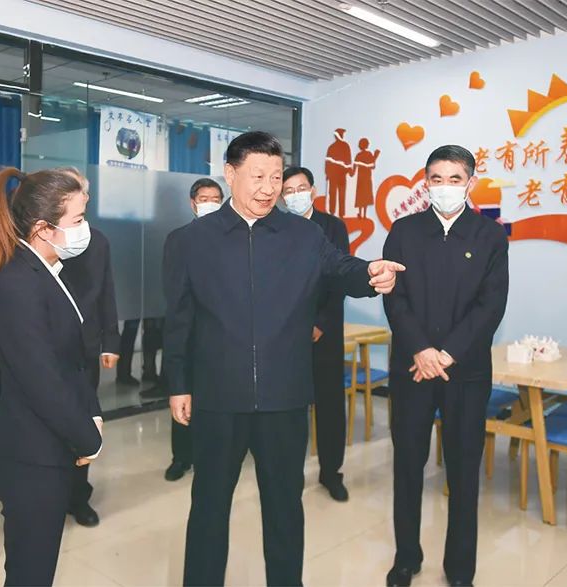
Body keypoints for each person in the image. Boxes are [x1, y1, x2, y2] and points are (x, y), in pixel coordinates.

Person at [164, 131, 403, 587]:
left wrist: (371, 273)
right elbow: (179, 319)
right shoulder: (190, 241)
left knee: (284, 510)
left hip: (284, 398)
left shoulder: (302, 234)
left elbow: (341, 267)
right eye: (258, 176)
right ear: (230, 173)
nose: (269, 188)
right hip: (218, 397)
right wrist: (178, 383)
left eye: (276, 177)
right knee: (209, 507)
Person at [382, 145, 509, 587]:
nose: (445, 187)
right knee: (407, 466)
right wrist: (420, 350)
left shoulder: (489, 235)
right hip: (412, 370)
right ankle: (406, 558)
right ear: (426, 183)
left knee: (463, 470)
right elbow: (395, 298)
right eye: (436, 179)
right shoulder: (404, 231)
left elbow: (491, 305)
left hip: (466, 373)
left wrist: (446, 354)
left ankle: (459, 569)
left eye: (455, 179)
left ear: (471, 183)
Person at [0, 167, 103, 586]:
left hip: (49, 446)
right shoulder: (19, 283)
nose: (85, 229)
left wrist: (91, 411)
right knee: (30, 574)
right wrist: (88, 438)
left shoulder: (48, 270)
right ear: (42, 228)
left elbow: (71, 359)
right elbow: (41, 379)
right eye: (77, 220)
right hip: (31, 456)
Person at [281, 166, 350, 502]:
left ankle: (331, 473)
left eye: (301, 188)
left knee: (330, 407)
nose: (296, 195)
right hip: (286, 336)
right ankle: (290, 475)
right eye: (289, 191)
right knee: (290, 409)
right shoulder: (276, 229)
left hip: (326, 333)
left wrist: (320, 323)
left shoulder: (333, 227)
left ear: (313, 190)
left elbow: (339, 278)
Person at [61, 172, 121, 527]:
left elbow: (106, 291)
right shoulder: (35, 236)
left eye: (81, 191)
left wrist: (110, 340)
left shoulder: (97, 241)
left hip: (85, 348)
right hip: (46, 347)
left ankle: (78, 495)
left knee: (85, 420)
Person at [163, 177, 223, 483]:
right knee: (183, 396)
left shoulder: (232, 238)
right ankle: (181, 457)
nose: (210, 203)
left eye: (215, 199)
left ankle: (210, 457)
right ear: (192, 203)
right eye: (204, 199)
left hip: (222, 336)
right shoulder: (178, 239)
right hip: (188, 333)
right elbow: (173, 292)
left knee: (215, 402)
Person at [324, 128, 353, 218]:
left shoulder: (332, 147)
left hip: (336, 175)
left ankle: (333, 212)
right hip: (340, 175)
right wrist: (349, 171)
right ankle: (340, 214)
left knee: (334, 194)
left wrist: (327, 174)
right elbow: (348, 160)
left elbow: (328, 162)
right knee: (340, 194)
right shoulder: (345, 146)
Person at [354, 138, 381, 218]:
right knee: (365, 196)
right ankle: (363, 215)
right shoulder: (368, 154)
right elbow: (372, 166)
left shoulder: (359, 155)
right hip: (365, 178)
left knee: (361, 196)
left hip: (362, 178)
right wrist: (375, 158)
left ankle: (361, 214)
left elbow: (354, 168)